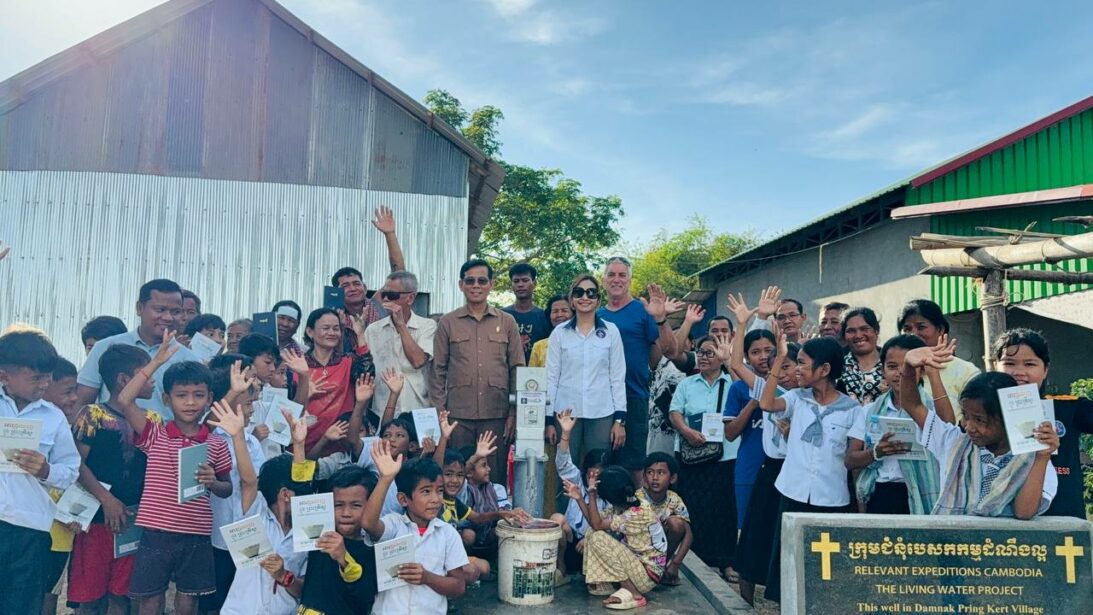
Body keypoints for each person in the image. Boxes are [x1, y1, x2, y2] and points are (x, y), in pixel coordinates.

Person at [112, 335, 234, 615]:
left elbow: (227, 488)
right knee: (150, 598)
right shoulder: (155, 433)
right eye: (181, 395)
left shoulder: (216, 443)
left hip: (196, 532)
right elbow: (125, 399)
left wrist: (213, 481)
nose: (190, 402)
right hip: (157, 531)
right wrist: (156, 362)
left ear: (210, 398)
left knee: (188, 599)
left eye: (198, 395)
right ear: (167, 399)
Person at [901, 342, 1059, 518]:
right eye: (966, 416)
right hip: (955, 535)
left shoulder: (1032, 458)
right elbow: (912, 405)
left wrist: (1042, 457)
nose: (969, 427)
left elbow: (1024, 512)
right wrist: (908, 366)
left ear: (1008, 419)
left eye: (980, 420)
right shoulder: (953, 442)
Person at [759, 334, 862, 603]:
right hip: (793, 491)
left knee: (824, 567)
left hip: (831, 497)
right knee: (787, 559)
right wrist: (779, 359)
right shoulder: (796, 398)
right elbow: (766, 404)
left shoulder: (852, 410)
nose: (797, 369)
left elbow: (852, 458)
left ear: (824, 369)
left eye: (803, 363)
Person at [68, 346, 160, 615]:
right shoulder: (91, 415)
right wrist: (106, 499)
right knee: (90, 596)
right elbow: (76, 464)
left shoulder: (152, 420)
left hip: (134, 520)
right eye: (146, 374)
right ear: (123, 380)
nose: (152, 380)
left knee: (123, 594)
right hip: (95, 520)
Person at [0, 329, 80, 614]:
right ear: (4, 376)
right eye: (36, 378)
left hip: (30, 528)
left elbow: (70, 470)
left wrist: (46, 470)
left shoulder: (53, 417)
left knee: (22, 605)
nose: (45, 384)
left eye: (48, 377)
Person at [430, 258, 524, 483]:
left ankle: (493, 507)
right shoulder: (448, 322)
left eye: (482, 281)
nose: (476, 286)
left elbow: (517, 368)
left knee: (492, 473)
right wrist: (440, 414)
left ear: (491, 284)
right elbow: (438, 370)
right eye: (470, 281)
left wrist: (513, 413)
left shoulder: (507, 322)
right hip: (457, 416)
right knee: (457, 473)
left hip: (496, 414)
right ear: (461, 285)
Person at [845, 335, 948, 515]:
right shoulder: (870, 411)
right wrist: (876, 452)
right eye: (892, 366)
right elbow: (850, 460)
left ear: (922, 370)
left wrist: (933, 373)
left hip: (924, 491)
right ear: (882, 370)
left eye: (909, 367)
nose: (900, 372)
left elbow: (948, 427)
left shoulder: (932, 407)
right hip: (883, 493)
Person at [598, 256, 680, 481]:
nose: (616, 279)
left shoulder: (643, 310)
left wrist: (660, 318)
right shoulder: (596, 316)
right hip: (600, 400)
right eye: (611, 275)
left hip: (633, 396)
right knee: (599, 465)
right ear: (604, 280)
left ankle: (636, 506)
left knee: (633, 467)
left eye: (622, 275)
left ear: (629, 280)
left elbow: (670, 351)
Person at [991, 329, 1088, 518]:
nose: (1019, 372)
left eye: (1029, 364)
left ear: (1045, 370)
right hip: (999, 522)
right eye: (1009, 363)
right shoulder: (980, 414)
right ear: (995, 366)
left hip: (1063, 521)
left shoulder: (1070, 408)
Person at [364, 446, 469, 614]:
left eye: (439, 491)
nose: (436, 499)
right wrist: (385, 479)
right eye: (426, 491)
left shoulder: (448, 534)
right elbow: (368, 523)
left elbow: (458, 587)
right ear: (403, 499)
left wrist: (427, 578)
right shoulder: (394, 525)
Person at [667, 335, 737, 579]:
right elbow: (675, 412)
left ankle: (726, 561)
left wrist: (730, 363)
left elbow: (748, 394)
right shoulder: (687, 384)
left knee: (724, 509)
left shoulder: (731, 382)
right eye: (700, 352)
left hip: (724, 455)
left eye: (710, 352)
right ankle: (694, 560)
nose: (704, 357)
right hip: (691, 454)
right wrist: (687, 431)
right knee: (693, 508)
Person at [77, 279, 197, 417]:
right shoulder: (105, 348)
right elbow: (82, 403)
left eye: (175, 311)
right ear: (139, 308)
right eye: (160, 310)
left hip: (163, 432)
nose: (168, 317)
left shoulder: (190, 360)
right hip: (110, 430)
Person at [203, 358, 266, 614]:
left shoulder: (252, 442)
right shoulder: (209, 435)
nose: (252, 410)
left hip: (247, 531)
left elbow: (255, 483)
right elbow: (208, 423)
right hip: (216, 535)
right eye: (247, 403)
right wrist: (234, 391)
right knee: (215, 598)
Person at [545, 274, 627, 462]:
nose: (585, 297)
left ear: (598, 300)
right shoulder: (559, 333)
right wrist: (548, 419)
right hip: (565, 413)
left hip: (601, 412)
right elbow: (551, 377)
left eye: (591, 293)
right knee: (565, 467)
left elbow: (617, 377)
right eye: (579, 292)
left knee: (598, 468)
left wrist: (620, 420)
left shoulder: (611, 331)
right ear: (572, 300)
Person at [563, 465, 667, 609]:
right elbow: (595, 522)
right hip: (637, 565)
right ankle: (606, 582)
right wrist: (579, 498)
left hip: (647, 574)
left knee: (598, 537)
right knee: (592, 533)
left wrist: (591, 494)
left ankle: (634, 593)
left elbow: (597, 524)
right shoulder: (626, 503)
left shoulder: (635, 514)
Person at [294, 464, 379, 615]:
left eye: (356, 505)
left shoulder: (372, 547)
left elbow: (366, 596)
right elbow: (301, 487)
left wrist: (344, 559)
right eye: (338, 505)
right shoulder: (319, 533)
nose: (346, 513)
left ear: (371, 506)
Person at [331, 205, 407, 352]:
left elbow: (399, 274)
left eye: (356, 283)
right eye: (345, 286)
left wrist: (390, 234)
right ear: (337, 292)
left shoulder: (379, 304)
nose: (352, 288)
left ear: (365, 288)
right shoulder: (332, 316)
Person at [296, 308, 371, 456]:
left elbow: (368, 374)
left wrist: (360, 335)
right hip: (303, 441)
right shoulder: (297, 365)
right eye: (326, 328)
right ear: (310, 332)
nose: (332, 333)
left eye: (336, 329)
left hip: (341, 444)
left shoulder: (348, 362)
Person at [549, 409, 612, 584]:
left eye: (598, 476)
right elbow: (563, 463)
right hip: (572, 542)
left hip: (596, 545)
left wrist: (589, 538)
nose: (593, 479)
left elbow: (612, 528)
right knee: (557, 519)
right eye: (590, 474)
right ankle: (561, 571)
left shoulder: (612, 493)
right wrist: (566, 433)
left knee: (599, 537)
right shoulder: (577, 480)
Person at [364, 270, 436, 423]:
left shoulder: (427, 326)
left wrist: (401, 325)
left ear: (410, 298)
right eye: (384, 294)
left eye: (392, 295)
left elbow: (418, 361)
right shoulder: (373, 330)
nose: (386, 300)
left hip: (418, 408)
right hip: (382, 409)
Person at [40, 357, 81, 615]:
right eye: (68, 391)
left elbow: (74, 475)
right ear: (44, 386)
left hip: (62, 535)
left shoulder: (71, 427)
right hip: (33, 529)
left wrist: (75, 514)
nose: (75, 398)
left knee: (49, 595)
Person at [897, 299, 980, 419]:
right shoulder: (895, 369)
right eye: (907, 329)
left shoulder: (966, 371)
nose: (913, 334)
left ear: (940, 329)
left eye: (921, 327)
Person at [636, 453, 692, 586]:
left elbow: (688, 534)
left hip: (660, 550)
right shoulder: (637, 498)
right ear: (644, 477)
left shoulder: (674, 499)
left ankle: (661, 568)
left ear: (672, 478)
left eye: (661, 473)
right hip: (639, 548)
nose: (655, 478)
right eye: (650, 472)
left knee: (677, 523)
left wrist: (675, 563)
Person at [503, 262, 552, 361]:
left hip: (536, 369)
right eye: (516, 281)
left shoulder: (545, 316)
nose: (520, 285)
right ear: (511, 285)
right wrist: (514, 345)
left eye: (525, 280)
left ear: (534, 283)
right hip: (506, 369)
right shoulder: (502, 316)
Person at [840, 307, 885, 403]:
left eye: (864, 329)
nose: (858, 335)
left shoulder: (890, 364)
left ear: (876, 331)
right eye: (851, 331)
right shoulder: (837, 367)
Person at [528, 294, 572, 368]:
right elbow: (531, 374)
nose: (559, 315)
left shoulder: (582, 342)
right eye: (555, 311)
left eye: (564, 310)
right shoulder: (539, 347)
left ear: (574, 314)